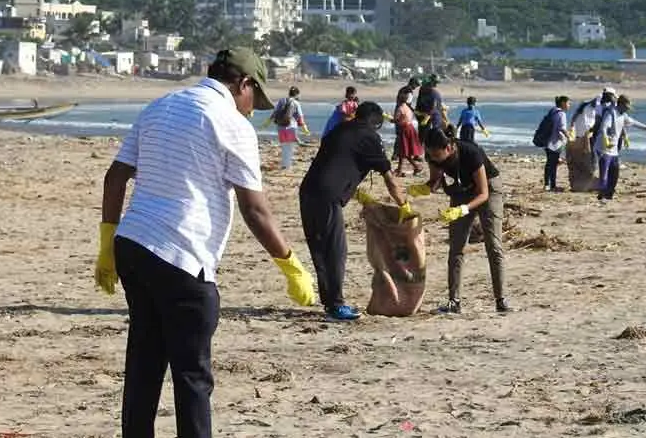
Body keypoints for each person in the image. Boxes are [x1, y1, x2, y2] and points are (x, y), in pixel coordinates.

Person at [94, 48, 316, 438]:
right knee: (192, 377)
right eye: (254, 98)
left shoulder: (160, 106)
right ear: (243, 84)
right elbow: (255, 210)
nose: (253, 109)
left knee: (144, 364)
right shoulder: (230, 122)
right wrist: (290, 263)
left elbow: (115, 178)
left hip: (133, 246)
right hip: (181, 257)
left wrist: (107, 243)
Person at [300, 101, 414, 321]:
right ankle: (336, 305)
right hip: (327, 196)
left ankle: (330, 302)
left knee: (319, 248)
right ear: (377, 122)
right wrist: (404, 206)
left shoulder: (340, 129)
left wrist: (356, 192)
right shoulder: (369, 136)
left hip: (308, 190)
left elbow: (339, 163)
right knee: (335, 250)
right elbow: (390, 179)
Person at [408, 127, 509, 314]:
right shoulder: (432, 156)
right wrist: (423, 188)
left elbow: (483, 193)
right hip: (460, 190)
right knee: (456, 247)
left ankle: (501, 299)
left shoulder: (471, 152)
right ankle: (454, 301)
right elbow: (436, 181)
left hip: (488, 189)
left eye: (438, 155)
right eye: (431, 155)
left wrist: (462, 209)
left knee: (493, 245)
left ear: (449, 147)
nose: (436, 160)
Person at [595, 95, 646, 201]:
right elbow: (603, 128)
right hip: (603, 148)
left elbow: (634, 123)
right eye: (626, 107)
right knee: (604, 174)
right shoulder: (611, 113)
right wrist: (606, 140)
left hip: (614, 149)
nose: (627, 109)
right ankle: (601, 196)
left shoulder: (623, 115)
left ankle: (609, 195)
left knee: (614, 173)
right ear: (620, 104)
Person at [264, 86, 309, 170]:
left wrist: (266, 123)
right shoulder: (296, 103)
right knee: (290, 147)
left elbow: (274, 113)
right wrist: (305, 129)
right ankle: (287, 166)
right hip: (291, 127)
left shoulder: (281, 101)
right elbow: (300, 117)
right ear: (297, 94)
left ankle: (284, 165)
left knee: (284, 146)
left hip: (280, 127)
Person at [566, 94, 600, 191]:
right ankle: (585, 180)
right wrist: (572, 126)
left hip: (587, 135)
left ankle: (586, 179)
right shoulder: (585, 106)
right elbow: (578, 118)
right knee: (585, 157)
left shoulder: (593, 109)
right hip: (582, 136)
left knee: (587, 157)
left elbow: (593, 122)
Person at [393, 89, 424, 176]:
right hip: (410, 128)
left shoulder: (400, 108)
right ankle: (400, 169)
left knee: (404, 151)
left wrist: (388, 118)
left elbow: (396, 119)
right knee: (404, 151)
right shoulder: (407, 107)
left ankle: (416, 167)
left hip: (404, 129)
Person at [544, 96, 570, 192]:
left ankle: (547, 184)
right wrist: (569, 137)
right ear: (563, 103)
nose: (569, 106)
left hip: (547, 141)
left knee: (549, 164)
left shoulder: (553, 111)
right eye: (568, 103)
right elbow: (562, 128)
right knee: (553, 165)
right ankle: (552, 186)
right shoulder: (562, 114)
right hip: (555, 143)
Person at [393, 77, 421, 160]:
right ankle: (405, 153)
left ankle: (396, 154)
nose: (416, 87)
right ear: (413, 84)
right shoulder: (409, 92)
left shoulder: (402, 89)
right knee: (405, 135)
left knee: (399, 134)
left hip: (398, 111)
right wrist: (415, 112)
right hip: (404, 113)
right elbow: (407, 104)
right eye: (416, 85)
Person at [415, 74, 446, 146]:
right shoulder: (432, 92)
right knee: (428, 135)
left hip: (426, 116)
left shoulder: (425, 91)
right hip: (429, 117)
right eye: (435, 83)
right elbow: (432, 107)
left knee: (424, 135)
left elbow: (420, 104)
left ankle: (422, 151)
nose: (436, 85)